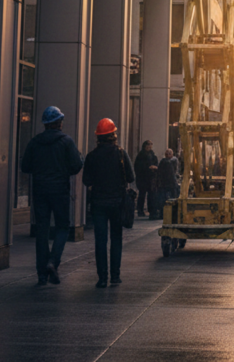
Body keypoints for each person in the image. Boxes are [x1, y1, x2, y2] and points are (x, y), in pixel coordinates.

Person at [20, 106, 84, 286]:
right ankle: (53, 261)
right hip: (59, 190)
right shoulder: (66, 141)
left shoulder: (34, 142)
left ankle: (41, 274)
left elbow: (25, 167)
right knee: (63, 227)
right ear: (59, 123)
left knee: (42, 229)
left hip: (40, 190)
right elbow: (76, 166)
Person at [82, 118, 135, 288]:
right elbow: (131, 177)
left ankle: (102, 278)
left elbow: (86, 180)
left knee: (100, 240)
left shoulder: (91, 156)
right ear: (114, 135)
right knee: (116, 238)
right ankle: (115, 276)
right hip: (117, 202)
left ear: (98, 137)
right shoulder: (120, 153)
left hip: (98, 203)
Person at [134, 140, 158, 217]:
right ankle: (140, 210)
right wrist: (148, 168)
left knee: (151, 195)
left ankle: (151, 210)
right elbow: (138, 167)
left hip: (151, 178)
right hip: (143, 178)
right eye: (148, 145)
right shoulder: (141, 155)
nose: (149, 147)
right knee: (142, 194)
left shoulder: (153, 155)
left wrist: (155, 167)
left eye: (150, 145)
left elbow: (156, 163)